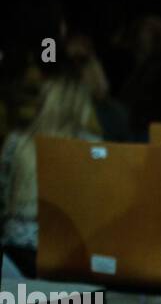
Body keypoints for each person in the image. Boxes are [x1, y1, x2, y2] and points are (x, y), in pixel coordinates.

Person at [0, 73, 103, 280]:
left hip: (14, 248)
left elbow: (2, 195)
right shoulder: (92, 147)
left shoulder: (16, 143)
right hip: (66, 251)